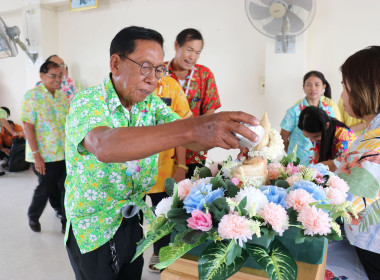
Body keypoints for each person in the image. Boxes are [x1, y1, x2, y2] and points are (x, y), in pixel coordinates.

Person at [64, 26, 259, 280]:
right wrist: (193, 128)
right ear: (116, 63)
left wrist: (234, 137)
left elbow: (193, 139)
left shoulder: (149, 104)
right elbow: (105, 146)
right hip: (94, 226)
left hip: (131, 218)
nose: (153, 79)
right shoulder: (88, 102)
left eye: (158, 70)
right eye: (145, 67)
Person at [331, 46, 380, 279]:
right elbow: (340, 165)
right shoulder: (371, 131)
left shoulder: (377, 142)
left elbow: (346, 201)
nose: (341, 95)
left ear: (365, 87)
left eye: (344, 86)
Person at [146, 76, 192, 272]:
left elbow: (182, 129)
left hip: (163, 168)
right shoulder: (129, 87)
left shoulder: (170, 86)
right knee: (130, 221)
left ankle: (159, 252)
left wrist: (182, 165)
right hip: (131, 172)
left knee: (162, 213)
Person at [165, 28, 221, 178]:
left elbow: (209, 118)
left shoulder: (204, 75)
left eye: (197, 52)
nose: (193, 57)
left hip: (194, 153)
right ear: (177, 45)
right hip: (162, 153)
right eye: (189, 50)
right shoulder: (160, 72)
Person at [20, 61, 69, 233]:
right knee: (45, 188)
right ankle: (33, 216)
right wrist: (36, 156)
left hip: (63, 153)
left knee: (65, 188)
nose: (58, 79)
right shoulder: (32, 96)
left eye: (60, 75)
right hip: (44, 155)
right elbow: (28, 126)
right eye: (53, 75)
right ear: (42, 76)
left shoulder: (62, 97)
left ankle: (65, 220)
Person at [280, 71, 340, 165]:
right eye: (309, 85)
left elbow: (331, 135)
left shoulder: (329, 111)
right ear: (303, 87)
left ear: (324, 87)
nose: (313, 88)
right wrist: (291, 154)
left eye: (317, 85)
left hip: (322, 162)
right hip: (297, 163)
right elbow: (283, 137)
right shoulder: (294, 111)